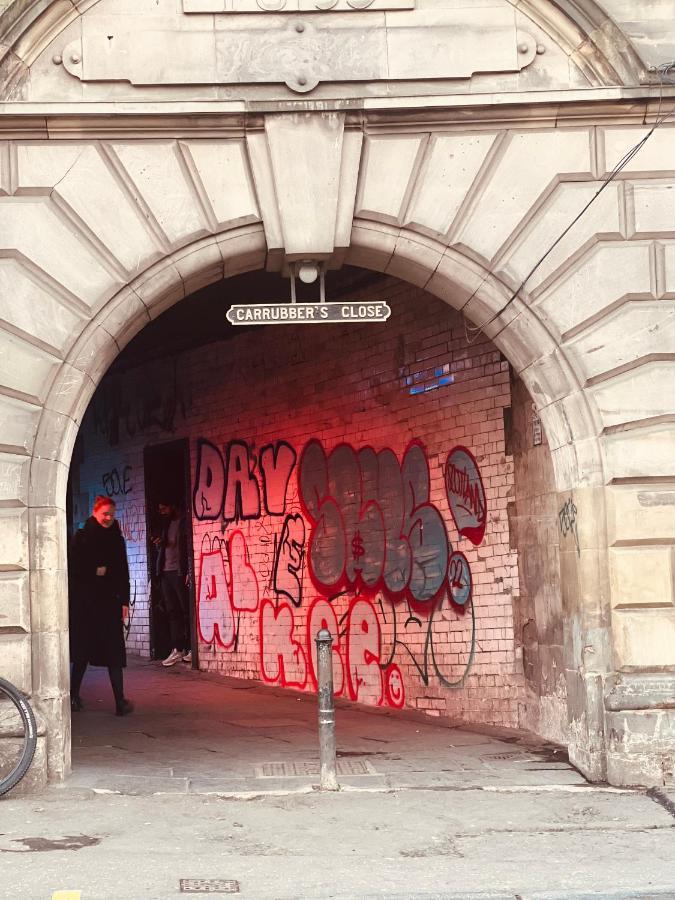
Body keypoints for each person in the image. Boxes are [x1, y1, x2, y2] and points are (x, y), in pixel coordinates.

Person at [68, 495, 133, 716]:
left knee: (114, 653)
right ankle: (73, 695)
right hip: (86, 605)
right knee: (82, 653)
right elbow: (73, 570)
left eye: (112, 515)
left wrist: (125, 600)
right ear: (95, 512)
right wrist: (95, 571)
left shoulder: (117, 539)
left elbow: (123, 571)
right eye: (105, 514)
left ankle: (120, 701)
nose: (108, 518)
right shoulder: (83, 537)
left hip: (109, 604)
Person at [153, 501, 192, 667]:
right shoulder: (166, 524)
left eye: (164, 508)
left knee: (185, 611)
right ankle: (178, 648)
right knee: (172, 612)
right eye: (160, 509)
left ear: (174, 505)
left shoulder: (184, 522)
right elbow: (165, 549)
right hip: (166, 572)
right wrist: (158, 545)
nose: (162, 512)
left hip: (179, 572)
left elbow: (189, 547)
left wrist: (188, 570)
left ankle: (191, 648)